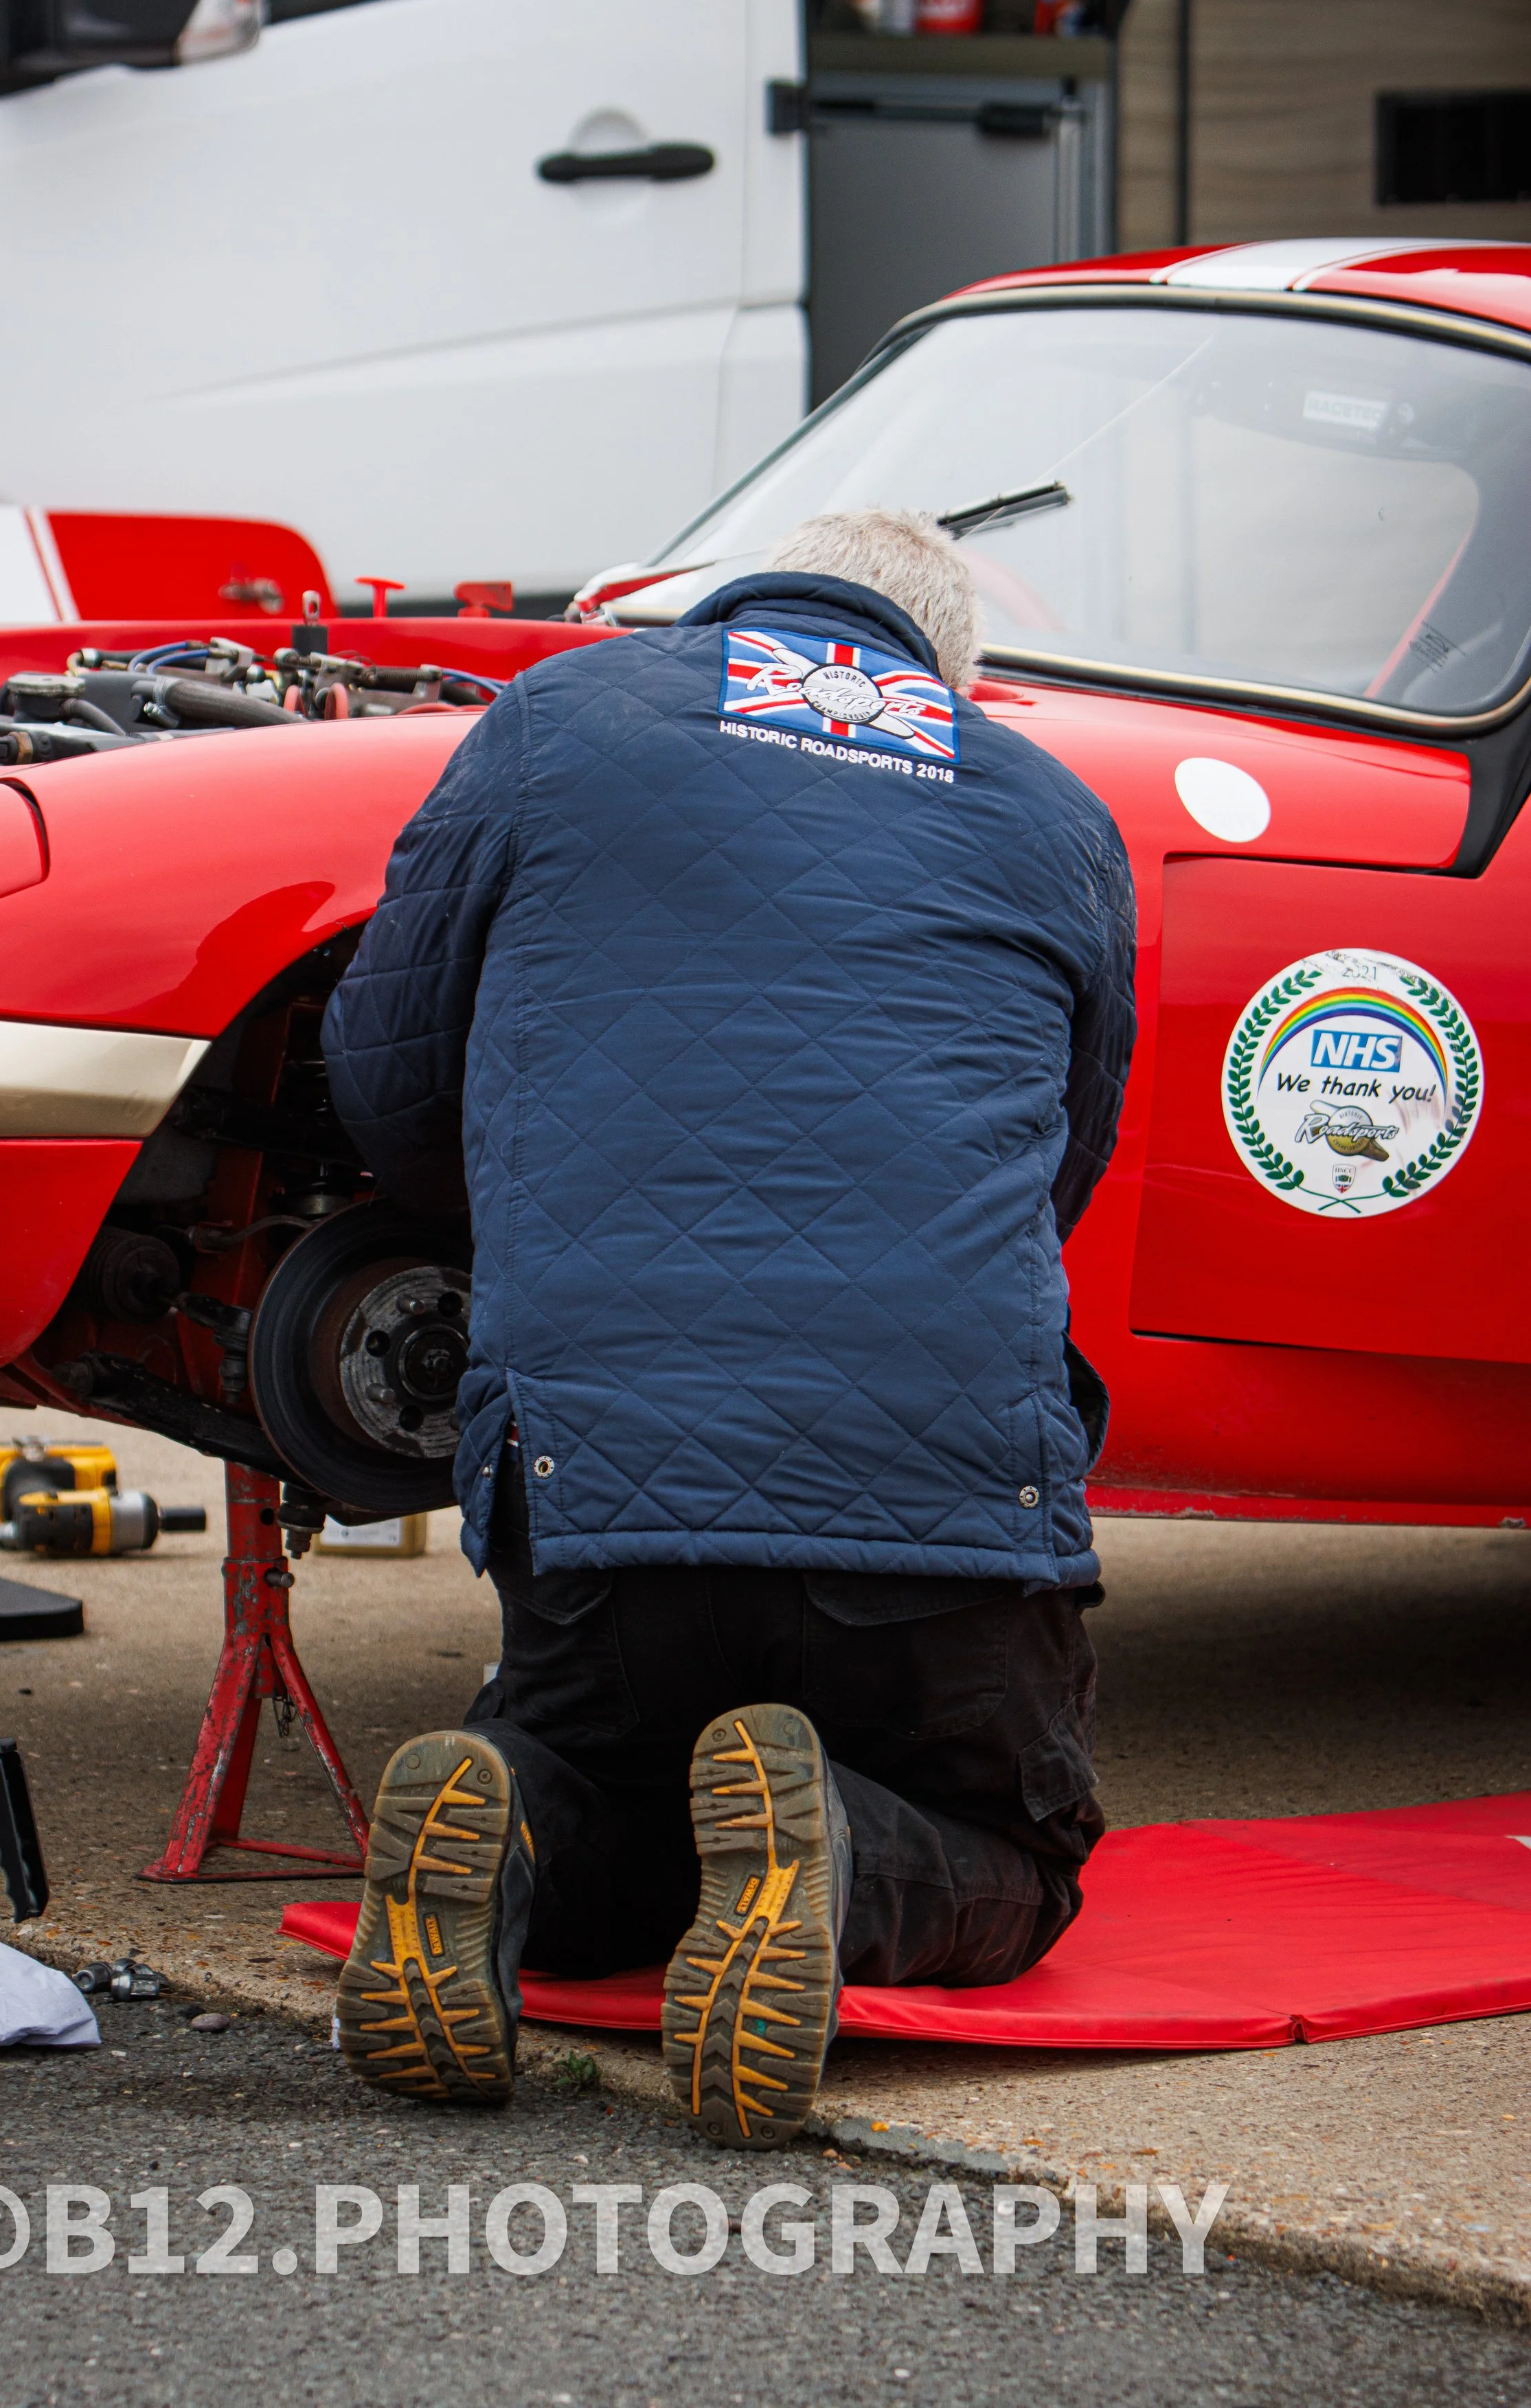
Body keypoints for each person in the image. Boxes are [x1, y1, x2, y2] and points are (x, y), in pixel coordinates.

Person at [321, 509, 1136, 2145]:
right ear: (943, 672)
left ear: (728, 613)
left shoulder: (557, 720)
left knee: (603, 1773)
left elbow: (388, 1084)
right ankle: (831, 1857)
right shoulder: (1054, 810)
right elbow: (1061, 1163)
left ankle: (517, 1819)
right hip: (943, 1493)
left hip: (606, 1473)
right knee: (1018, 1863)